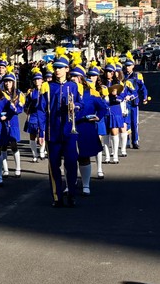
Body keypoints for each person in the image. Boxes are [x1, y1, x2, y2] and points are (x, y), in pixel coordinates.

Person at [36, 47, 83, 208]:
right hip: (53, 133)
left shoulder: (74, 86)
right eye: (55, 67)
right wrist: (41, 131)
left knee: (71, 164)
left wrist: (75, 106)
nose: (57, 70)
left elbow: (80, 103)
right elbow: (41, 110)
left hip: (70, 132)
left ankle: (71, 194)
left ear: (67, 69)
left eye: (60, 68)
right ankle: (57, 197)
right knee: (54, 166)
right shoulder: (47, 86)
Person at [70, 58, 107, 196]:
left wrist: (98, 117)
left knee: (84, 156)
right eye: (71, 76)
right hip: (69, 128)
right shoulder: (67, 90)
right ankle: (70, 183)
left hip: (85, 127)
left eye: (75, 76)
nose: (72, 78)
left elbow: (103, 108)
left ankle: (86, 184)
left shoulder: (91, 92)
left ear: (81, 78)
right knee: (69, 158)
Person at [0, 66, 25, 178]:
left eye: (10, 82)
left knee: (14, 145)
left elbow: (20, 108)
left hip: (13, 122)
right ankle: (5, 169)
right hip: (3, 122)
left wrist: (14, 108)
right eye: (6, 82)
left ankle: (18, 167)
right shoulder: (0, 93)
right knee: (3, 146)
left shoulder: (19, 93)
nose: (7, 84)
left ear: (13, 82)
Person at [121, 51, 148, 149]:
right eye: (126, 66)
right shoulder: (122, 75)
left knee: (134, 122)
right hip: (125, 102)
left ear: (133, 66)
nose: (127, 67)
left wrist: (145, 97)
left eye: (129, 65)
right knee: (126, 122)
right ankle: (127, 141)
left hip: (134, 102)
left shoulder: (137, 76)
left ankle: (135, 141)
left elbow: (143, 88)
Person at [24, 67, 45, 162]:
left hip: (43, 115)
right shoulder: (31, 92)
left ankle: (42, 151)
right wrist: (27, 110)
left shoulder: (45, 90)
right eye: (35, 79)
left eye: (39, 79)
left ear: (42, 80)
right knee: (32, 135)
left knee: (43, 133)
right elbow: (26, 104)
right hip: (33, 115)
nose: (37, 81)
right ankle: (34, 154)